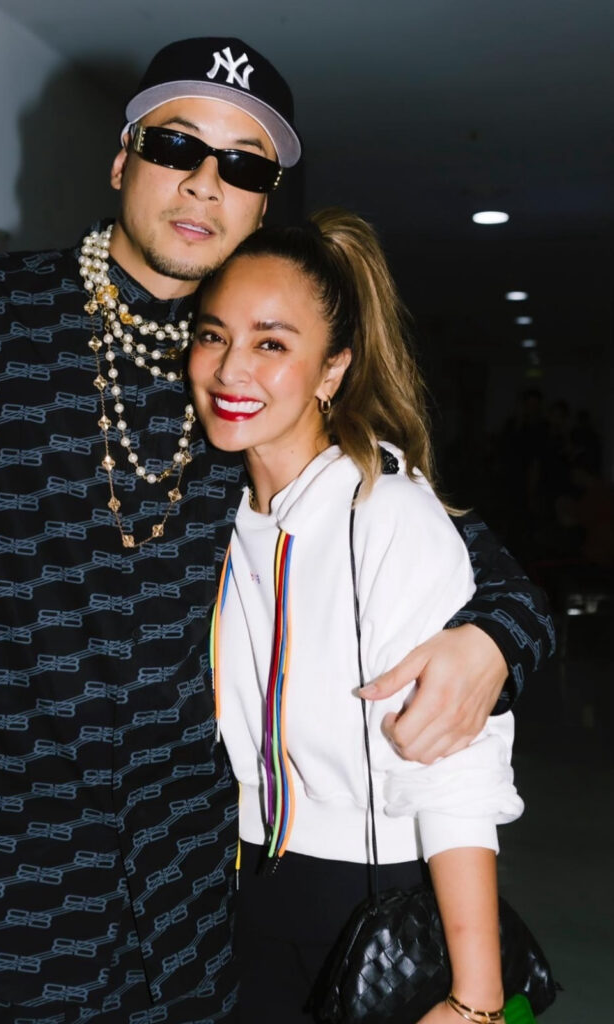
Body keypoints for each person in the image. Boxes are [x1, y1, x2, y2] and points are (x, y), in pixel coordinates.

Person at [0, 37, 550, 1024]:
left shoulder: (252, 383)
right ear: (122, 160)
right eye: (176, 145)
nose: (203, 182)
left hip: (175, 918)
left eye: (242, 166)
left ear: (264, 203)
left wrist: (494, 640)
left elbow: (454, 559)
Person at [189, 209, 525, 1023]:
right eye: (212, 335)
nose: (231, 369)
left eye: (272, 343)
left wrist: (475, 999)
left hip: (371, 903)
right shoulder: (213, 515)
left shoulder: (386, 513)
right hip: (242, 895)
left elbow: (455, 765)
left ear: (332, 371)